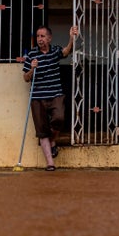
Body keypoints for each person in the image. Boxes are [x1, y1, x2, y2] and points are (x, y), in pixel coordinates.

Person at [23, 25, 79, 171]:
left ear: (49, 38)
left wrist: (71, 38)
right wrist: (32, 68)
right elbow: (26, 78)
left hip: (55, 94)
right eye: (38, 36)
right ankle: (50, 163)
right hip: (37, 96)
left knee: (59, 118)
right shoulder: (31, 55)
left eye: (42, 36)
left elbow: (66, 51)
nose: (39, 39)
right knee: (42, 130)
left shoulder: (55, 51)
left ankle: (53, 141)